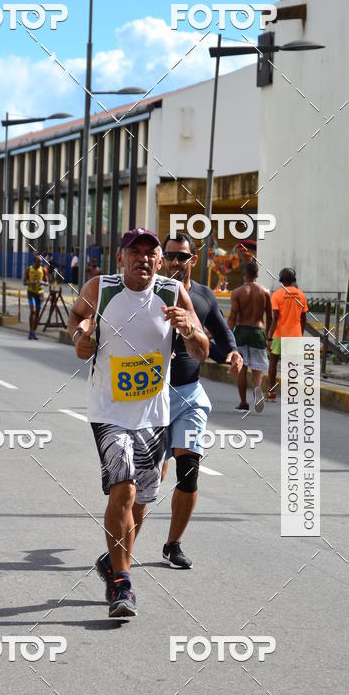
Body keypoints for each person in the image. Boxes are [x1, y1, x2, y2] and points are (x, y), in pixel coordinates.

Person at [67, 227, 209, 618]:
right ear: (121, 258)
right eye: (135, 252)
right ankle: (122, 584)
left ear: (160, 261)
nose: (143, 258)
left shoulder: (172, 293)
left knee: (142, 501)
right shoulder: (101, 288)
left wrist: (188, 328)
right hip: (109, 411)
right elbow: (78, 317)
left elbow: (202, 349)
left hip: (154, 416)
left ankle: (113, 564)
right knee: (124, 491)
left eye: (151, 253)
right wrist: (81, 335)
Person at [160, 232, 243, 568]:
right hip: (151, 397)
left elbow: (221, 334)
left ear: (193, 260)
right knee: (148, 480)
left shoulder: (204, 296)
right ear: (162, 259)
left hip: (190, 394)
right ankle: (122, 545)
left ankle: (173, 545)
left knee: (189, 472)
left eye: (182, 256)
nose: (175, 262)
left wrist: (233, 352)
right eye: (170, 255)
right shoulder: (149, 293)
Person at [228, 261, 272, 413]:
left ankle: (243, 403)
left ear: (244, 274)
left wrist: (227, 334)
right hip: (258, 332)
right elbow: (270, 317)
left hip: (241, 331)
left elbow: (232, 317)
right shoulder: (265, 292)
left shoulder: (237, 292)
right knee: (258, 368)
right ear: (257, 275)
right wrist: (268, 336)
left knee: (242, 368)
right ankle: (258, 387)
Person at [266, 267, 308, 401]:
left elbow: (275, 318)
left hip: (279, 335)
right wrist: (300, 334)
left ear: (280, 280)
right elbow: (304, 319)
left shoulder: (277, 295)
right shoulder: (300, 295)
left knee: (273, 362)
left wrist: (269, 337)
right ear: (294, 279)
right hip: (295, 335)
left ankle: (272, 392)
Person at [23, 254, 47, 340]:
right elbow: (24, 282)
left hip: (40, 294)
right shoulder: (29, 269)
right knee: (32, 311)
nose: (39, 264)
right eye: (38, 262)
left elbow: (47, 282)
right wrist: (32, 283)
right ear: (34, 262)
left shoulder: (43, 270)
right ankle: (30, 331)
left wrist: (43, 283)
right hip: (31, 293)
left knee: (37, 314)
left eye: (40, 262)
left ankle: (33, 331)